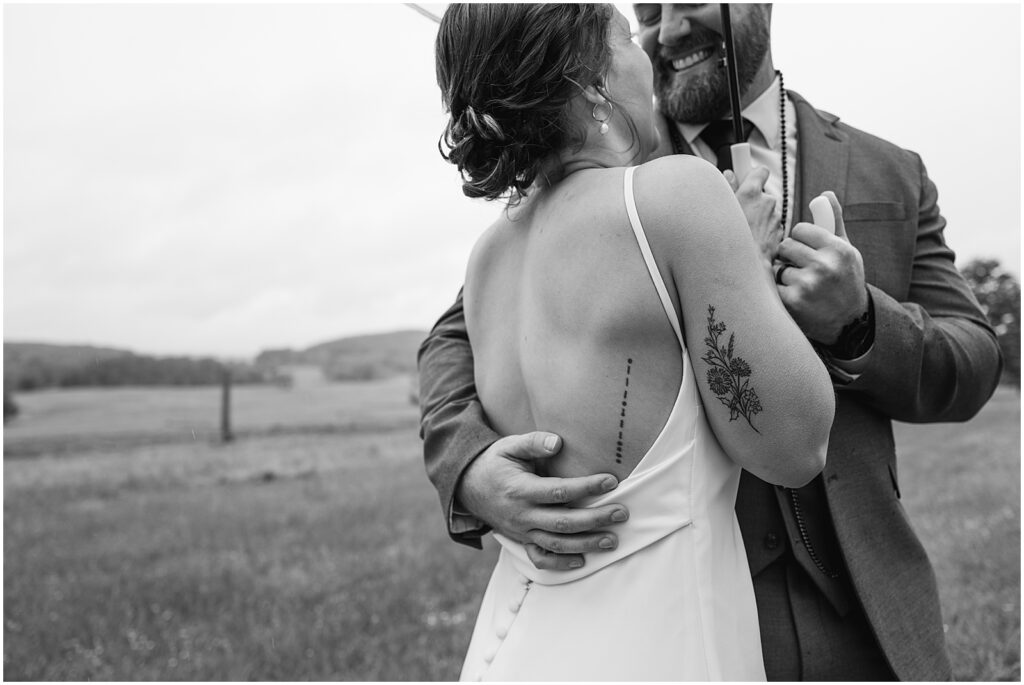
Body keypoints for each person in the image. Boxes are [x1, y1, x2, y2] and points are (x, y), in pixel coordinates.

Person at [419, 3, 1003, 681]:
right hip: (695, 618)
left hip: (855, 609)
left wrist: (857, 320)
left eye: (687, 2)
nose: (664, 31)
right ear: (594, 77)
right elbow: (451, 341)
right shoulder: (650, 185)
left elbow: (974, 356)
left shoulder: (889, 170)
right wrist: (467, 466)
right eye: (643, 16)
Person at [429, 4, 835, 681]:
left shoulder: (487, 258)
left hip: (516, 644)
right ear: (591, 81)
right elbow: (796, 445)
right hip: (662, 642)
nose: (646, 50)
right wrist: (748, 259)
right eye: (625, 34)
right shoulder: (678, 197)